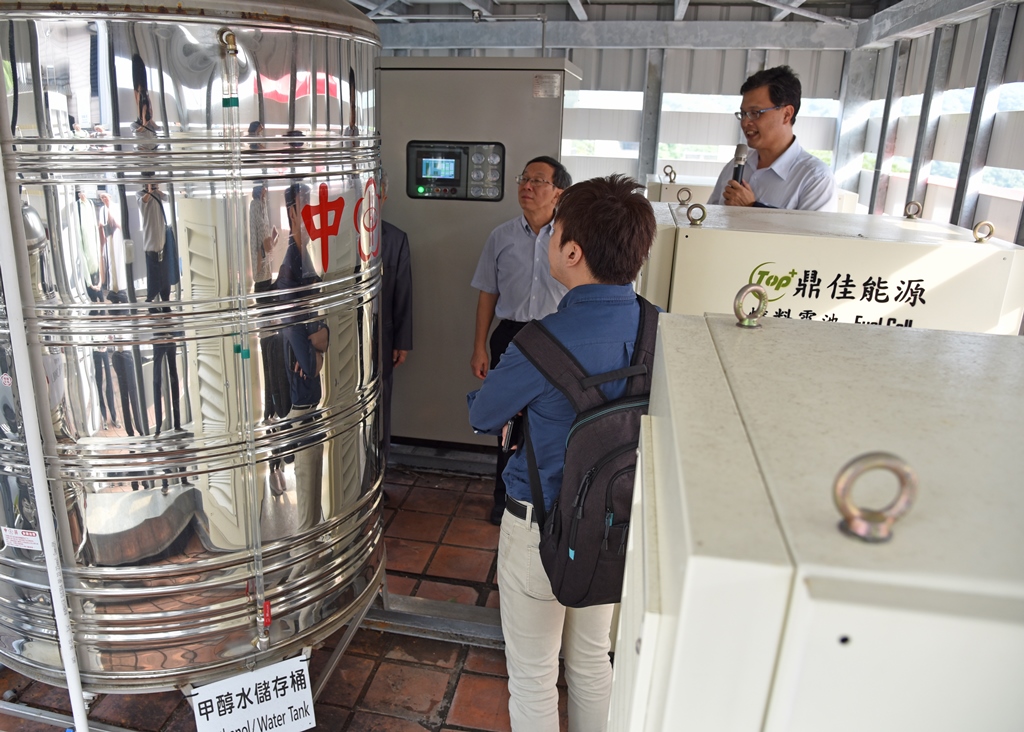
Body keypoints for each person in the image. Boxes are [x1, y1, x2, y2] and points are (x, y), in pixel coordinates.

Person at [467, 174, 657, 732]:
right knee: (593, 661)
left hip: (539, 526)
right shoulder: (660, 327)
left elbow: (483, 415)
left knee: (533, 675)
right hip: (613, 524)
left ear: (572, 252)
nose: (549, 239)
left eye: (555, 232)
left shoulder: (538, 342)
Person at [470, 155, 571, 525]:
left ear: (558, 192)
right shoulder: (502, 236)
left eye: (538, 180)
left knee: (553, 419)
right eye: (524, 179)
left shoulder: (572, 237)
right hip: (510, 336)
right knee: (507, 421)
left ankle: (550, 501)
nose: (526, 186)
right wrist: (480, 346)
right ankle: (504, 500)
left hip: (558, 337)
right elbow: (487, 293)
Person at [708, 65, 837, 212]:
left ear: (786, 114)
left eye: (755, 113)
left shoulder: (816, 178)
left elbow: (812, 228)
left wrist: (752, 208)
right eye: (743, 114)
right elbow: (710, 217)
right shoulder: (734, 166)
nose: (745, 122)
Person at [378, 170, 413, 469]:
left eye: (375, 194)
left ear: (383, 197)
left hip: (382, 340)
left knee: (381, 409)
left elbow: (403, 293)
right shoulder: (333, 236)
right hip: (337, 340)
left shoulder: (396, 239)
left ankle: (378, 475)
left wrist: (401, 341)